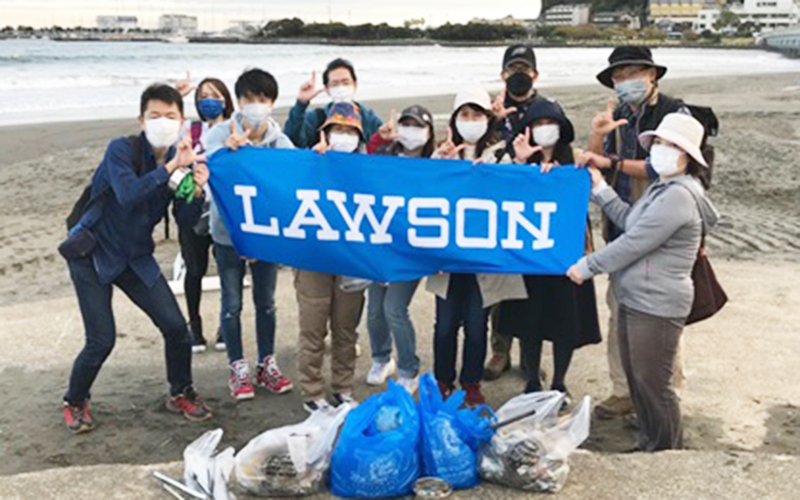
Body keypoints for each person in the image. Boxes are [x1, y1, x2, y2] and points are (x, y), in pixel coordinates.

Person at [62, 84, 212, 433]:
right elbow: (128, 194)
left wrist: (197, 190)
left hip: (135, 258)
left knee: (177, 328)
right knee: (102, 339)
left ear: (182, 121)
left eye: (170, 116)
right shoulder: (121, 150)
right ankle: (75, 399)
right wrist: (173, 165)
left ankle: (180, 391)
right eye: (154, 115)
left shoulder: (181, 165)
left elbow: (186, 222)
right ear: (141, 120)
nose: (162, 122)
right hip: (93, 254)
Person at [568, 113, 719, 451]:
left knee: (654, 385)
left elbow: (634, 243)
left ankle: (666, 452)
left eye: (671, 145)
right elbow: (629, 222)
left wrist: (588, 265)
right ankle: (649, 441)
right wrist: (601, 189)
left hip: (657, 304)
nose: (661, 149)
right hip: (634, 297)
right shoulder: (661, 187)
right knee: (639, 381)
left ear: (688, 155)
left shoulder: (679, 195)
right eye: (659, 143)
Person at [578, 46, 691, 420]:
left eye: (633, 72)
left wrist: (610, 161)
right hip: (622, 222)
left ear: (652, 74)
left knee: (658, 321)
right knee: (619, 310)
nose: (626, 81)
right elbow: (594, 165)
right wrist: (597, 136)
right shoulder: (618, 115)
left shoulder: (675, 113)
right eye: (619, 75)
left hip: (661, 228)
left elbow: (665, 167)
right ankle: (624, 391)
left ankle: (664, 397)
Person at [497, 100, 602, 405]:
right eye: (538, 123)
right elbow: (498, 192)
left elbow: (594, 189)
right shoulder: (515, 160)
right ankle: (531, 379)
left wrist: (562, 178)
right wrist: (521, 165)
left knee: (565, 323)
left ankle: (559, 381)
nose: (545, 129)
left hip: (567, 255)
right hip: (529, 256)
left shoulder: (575, 162)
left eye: (550, 122)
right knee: (529, 322)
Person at [427, 87, 526, 407]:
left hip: (484, 259)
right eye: (464, 115)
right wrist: (442, 164)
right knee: (444, 326)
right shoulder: (441, 155)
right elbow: (421, 197)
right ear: (455, 120)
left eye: (477, 115)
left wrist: (523, 165)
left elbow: (518, 193)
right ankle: (443, 378)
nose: (471, 121)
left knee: (475, 325)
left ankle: (470, 382)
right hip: (447, 258)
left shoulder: (500, 155)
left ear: (488, 119)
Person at [203, 68, 294, 401]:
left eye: (262, 99)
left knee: (266, 303)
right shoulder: (220, 134)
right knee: (231, 304)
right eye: (249, 99)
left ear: (271, 103)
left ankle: (266, 364)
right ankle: (237, 366)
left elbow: (296, 177)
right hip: (227, 236)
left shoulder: (278, 141)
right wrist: (227, 153)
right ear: (238, 102)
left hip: (267, 237)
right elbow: (205, 165)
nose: (255, 105)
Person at [485, 44, 559, 381]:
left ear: (535, 74)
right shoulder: (490, 112)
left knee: (533, 289)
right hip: (498, 213)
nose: (519, 74)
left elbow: (563, 153)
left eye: (524, 68)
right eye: (512, 68)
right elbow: (475, 156)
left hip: (535, 214)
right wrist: (493, 122)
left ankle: (531, 356)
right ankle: (499, 351)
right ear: (502, 74)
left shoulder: (548, 109)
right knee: (500, 288)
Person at [297, 102, 369, 412]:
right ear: (325, 132)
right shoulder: (309, 163)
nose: (343, 136)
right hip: (313, 258)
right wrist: (313, 165)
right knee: (313, 327)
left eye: (350, 130)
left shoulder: (370, 169)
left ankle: (343, 388)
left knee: (345, 328)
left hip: (351, 260)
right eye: (337, 129)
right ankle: (312, 390)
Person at [362, 105, 436, 394]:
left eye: (417, 125)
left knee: (395, 308)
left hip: (412, 252)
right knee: (375, 310)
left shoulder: (436, 163)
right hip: (379, 246)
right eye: (406, 124)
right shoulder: (384, 157)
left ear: (429, 132)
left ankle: (408, 367)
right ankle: (382, 359)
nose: (411, 131)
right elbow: (355, 168)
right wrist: (379, 139)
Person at [176, 76, 235, 353]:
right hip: (194, 209)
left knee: (227, 270)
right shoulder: (190, 129)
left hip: (226, 212)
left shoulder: (234, 130)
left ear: (226, 98)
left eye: (214, 94)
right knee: (194, 269)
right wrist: (177, 96)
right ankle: (194, 326)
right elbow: (170, 152)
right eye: (203, 96)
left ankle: (225, 326)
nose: (208, 100)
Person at [285, 58, 383, 149]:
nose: (341, 88)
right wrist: (301, 103)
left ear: (355, 85)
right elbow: (291, 141)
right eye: (334, 84)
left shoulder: (367, 118)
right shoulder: (317, 117)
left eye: (346, 82)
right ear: (327, 89)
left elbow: (382, 148)